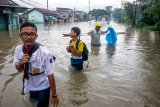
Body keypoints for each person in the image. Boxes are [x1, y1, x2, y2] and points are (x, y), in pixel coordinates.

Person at [13, 22, 59, 107]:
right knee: (32, 103)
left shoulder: (44, 53)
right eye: (25, 34)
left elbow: (51, 76)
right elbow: (19, 70)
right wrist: (21, 63)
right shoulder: (18, 50)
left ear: (36, 36)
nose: (29, 37)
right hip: (29, 85)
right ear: (20, 36)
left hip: (43, 86)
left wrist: (54, 95)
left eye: (32, 34)